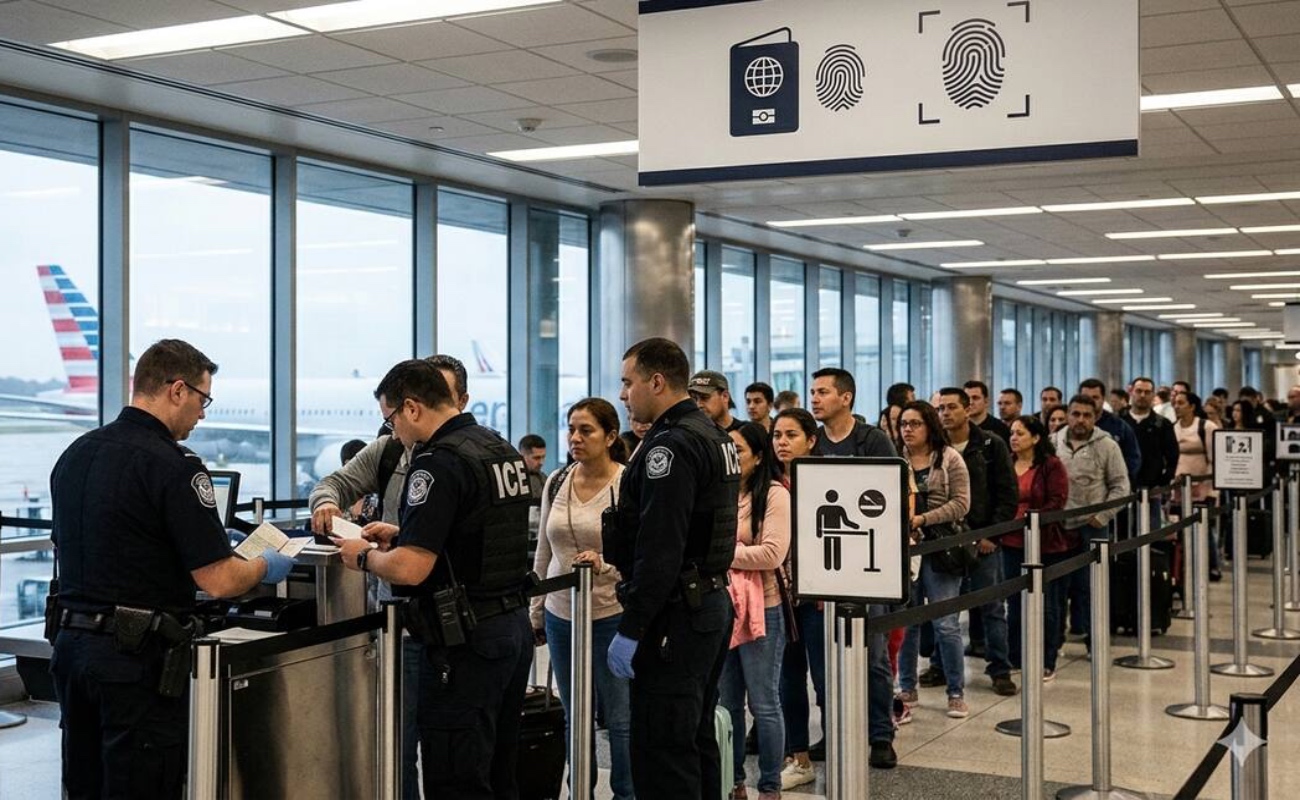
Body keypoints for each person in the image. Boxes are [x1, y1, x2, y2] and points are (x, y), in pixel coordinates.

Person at [49, 339, 295, 799]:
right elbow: (218, 580)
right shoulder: (175, 466)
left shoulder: (76, 453)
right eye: (203, 399)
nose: (202, 414)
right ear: (177, 390)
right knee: (143, 782)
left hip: (69, 651)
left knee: (84, 783)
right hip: (134, 661)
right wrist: (264, 564)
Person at [334, 359, 535, 800]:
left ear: (411, 408)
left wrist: (365, 557)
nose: (392, 434)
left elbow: (410, 569)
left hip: (462, 643)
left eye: (390, 420)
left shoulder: (436, 463)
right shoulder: (497, 449)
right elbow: (473, 534)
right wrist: (405, 535)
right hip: (510, 630)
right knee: (499, 770)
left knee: (456, 777)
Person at [312, 353, 471, 800]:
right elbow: (335, 483)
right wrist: (326, 504)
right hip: (395, 618)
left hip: (447, 619)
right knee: (397, 739)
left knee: (450, 744)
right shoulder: (390, 450)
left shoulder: (460, 456)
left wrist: (364, 557)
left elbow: (430, 553)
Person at [605, 338, 740, 798]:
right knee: (694, 736)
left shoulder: (672, 445)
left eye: (628, 382)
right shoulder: (711, 433)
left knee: (663, 749)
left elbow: (661, 548)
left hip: (676, 615)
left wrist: (633, 626)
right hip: (705, 603)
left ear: (656, 382)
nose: (623, 394)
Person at [530, 398, 632, 800]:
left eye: (586, 430)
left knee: (620, 717)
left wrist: (605, 563)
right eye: (571, 428)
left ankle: (626, 792)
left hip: (611, 612)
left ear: (609, 436)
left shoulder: (626, 483)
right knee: (575, 715)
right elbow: (544, 550)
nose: (575, 437)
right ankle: (580, 793)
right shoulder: (557, 480)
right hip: (561, 614)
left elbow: (639, 554)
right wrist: (535, 611)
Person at [807, 367, 898, 768]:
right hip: (822, 562)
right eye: (813, 392)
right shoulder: (815, 443)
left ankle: (880, 734)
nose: (815, 399)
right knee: (828, 660)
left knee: (873, 656)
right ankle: (834, 730)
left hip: (868, 564)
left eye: (823, 392)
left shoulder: (873, 440)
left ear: (846, 398)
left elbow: (891, 496)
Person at [719, 422, 790, 800]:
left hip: (765, 607)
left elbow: (772, 553)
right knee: (726, 703)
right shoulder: (720, 490)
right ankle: (733, 781)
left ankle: (770, 784)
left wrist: (721, 553)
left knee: (763, 701)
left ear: (759, 456)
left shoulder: (774, 494)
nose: (732, 457)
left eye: (740, 450)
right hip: (721, 606)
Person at [934, 387, 1018, 696]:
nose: (945, 413)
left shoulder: (989, 445)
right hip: (945, 541)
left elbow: (1007, 495)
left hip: (983, 540)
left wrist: (991, 535)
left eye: (952, 407)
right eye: (941, 408)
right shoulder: (936, 447)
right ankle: (940, 666)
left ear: (967, 409)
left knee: (992, 607)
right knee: (945, 610)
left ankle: (1000, 669)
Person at [896, 401, 973, 719]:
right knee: (907, 624)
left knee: (946, 624)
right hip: (906, 549)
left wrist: (924, 519)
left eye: (915, 423)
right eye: (903, 424)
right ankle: (907, 688)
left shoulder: (950, 458)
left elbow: (962, 503)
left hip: (942, 548)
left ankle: (956, 691)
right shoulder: (896, 460)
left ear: (930, 426)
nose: (908, 429)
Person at [1051, 395, 1130, 651]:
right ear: (1068, 414)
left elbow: (1121, 486)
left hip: (1091, 527)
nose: (1080, 420)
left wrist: (1102, 516)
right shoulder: (1054, 442)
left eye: (1087, 415)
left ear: (1095, 417)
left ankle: (1094, 641)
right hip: (1059, 527)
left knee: (1091, 586)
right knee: (1057, 588)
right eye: (1075, 414)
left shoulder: (1107, 446)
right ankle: (1054, 641)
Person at [770, 408, 822, 788]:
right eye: (777, 435)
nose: (782, 443)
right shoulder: (768, 484)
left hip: (819, 594)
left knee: (824, 678)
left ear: (811, 440)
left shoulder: (825, 481)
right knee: (788, 677)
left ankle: (841, 747)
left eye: (791, 435)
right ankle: (798, 756)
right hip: (782, 595)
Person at [1002, 415, 1071, 677]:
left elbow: (1057, 500)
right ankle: (1016, 656)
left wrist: (1031, 520)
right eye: (1012, 433)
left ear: (1036, 437)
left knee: (1048, 605)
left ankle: (1046, 658)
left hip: (1045, 543)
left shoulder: (1050, 466)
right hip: (1010, 541)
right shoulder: (1007, 463)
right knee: (1015, 604)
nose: (1014, 438)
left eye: (1020, 433)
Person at [1171, 391, 1221, 581]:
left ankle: (1211, 566)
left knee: (1204, 529)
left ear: (1192, 406)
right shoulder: (1174, 428)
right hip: (1179, 489)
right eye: (1175, 403)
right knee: (1181, 530)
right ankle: (1185, 568)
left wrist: (1211, 489)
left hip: (1203, 489)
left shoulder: (1206, 427)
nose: (1177, 406)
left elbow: (1214, 459)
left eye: (1181, 403)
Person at [1121, 377, 1181, 534]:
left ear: (1153, 395)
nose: (1142, 395)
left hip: (1151, 490)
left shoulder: (1162, 424)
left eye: (1147, 392)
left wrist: (1162, 483)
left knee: (1150, 536)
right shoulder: (1119, 422)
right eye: (1139, 391)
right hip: (1121, 489)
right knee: (1122, 535)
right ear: (1131, 392)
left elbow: (1172, 457)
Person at [1078, 378, 1142, 485]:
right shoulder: (1069, 426)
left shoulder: (1120, 426)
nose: (1090, 402)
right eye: (1086, 398)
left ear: (1103, 399)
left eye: (1095, 397)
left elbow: (1133, 458)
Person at [964, 380, 1011, 444]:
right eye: (967, 398)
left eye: (975, 398)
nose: (970, 402)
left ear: (986, 401)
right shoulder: (958, 427)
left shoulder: (1000, 429)